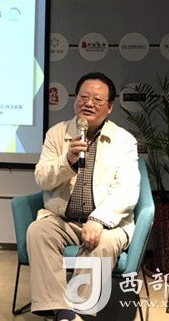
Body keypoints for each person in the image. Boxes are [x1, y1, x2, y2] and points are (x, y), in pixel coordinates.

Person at [27, 72, 140, 321]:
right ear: (75, 99)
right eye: (83, 97)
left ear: (109, 107)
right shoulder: (56, 134)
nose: (88, 103)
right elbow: (42, 178)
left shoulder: (124, 141)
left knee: (103, 243)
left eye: (97, 100)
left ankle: (77, 311)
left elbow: (127, 189)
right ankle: (64, 312)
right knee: (38, 231)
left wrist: (99, 220)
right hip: (63, 220)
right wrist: (67, 160)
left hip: (108, 223)